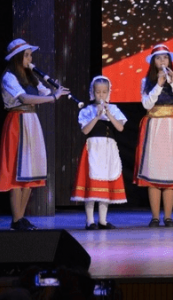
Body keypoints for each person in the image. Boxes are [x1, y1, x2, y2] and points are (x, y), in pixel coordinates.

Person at [0, 39, 69, 230]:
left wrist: (55, 90)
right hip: (17, 122)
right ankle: (16, 219)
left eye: (30, 55)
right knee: (17, 172)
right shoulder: (9, 77)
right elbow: (25, 98)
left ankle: (20, 218)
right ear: (18, 57)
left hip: (31, 121)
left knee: (29, 172)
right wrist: (53, 98)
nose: (30, 59)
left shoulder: (31, 76)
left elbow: (45, 93)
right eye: (27, 55)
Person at [134, 44, 173, 227]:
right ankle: (155, 217)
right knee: (153, 170)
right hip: (154, 126)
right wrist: (158, 85)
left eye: (165, 58)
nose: (162, 61)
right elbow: (146, 104)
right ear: (153, 62)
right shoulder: (146, 81)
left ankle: (168, 217)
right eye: (158, 58)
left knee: (170, 170)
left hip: (171, 127)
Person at [71, 76, 128, 229]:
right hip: (93, 148)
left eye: (104, 92)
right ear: (93, 92)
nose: (101, 95)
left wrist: (108, 114)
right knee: (91, 184)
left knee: (106, 182)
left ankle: (103, 220)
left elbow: (120, 128)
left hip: (108, 149)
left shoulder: (114, 109)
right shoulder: (87, 110)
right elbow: (85, 131)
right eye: (98, 92)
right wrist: (97, 116)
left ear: (109, 92)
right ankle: (90, 221)